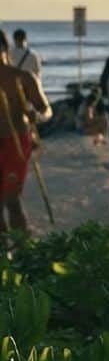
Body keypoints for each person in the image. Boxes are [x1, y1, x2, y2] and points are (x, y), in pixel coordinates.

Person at [0, 29, 51, 233]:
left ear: (4, 48)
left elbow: (46, 109)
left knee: (12, 199)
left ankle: (22, 251)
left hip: (15, 143)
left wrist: (35, 116)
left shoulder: (23, 77)